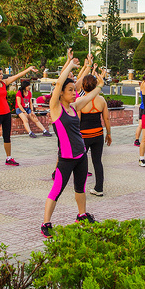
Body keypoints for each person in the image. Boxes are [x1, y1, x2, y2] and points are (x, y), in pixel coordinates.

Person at [42, 49, 105, 238]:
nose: (74, 92)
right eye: (70, 90)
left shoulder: (74, 106)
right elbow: (60, 83)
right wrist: (70, 64)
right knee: (57, 190)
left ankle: (82, 215)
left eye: (74, 90)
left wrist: (100, 87)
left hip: (80, 155)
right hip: (66, 159)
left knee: (81, 187)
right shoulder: (56, 109)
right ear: (61, 93)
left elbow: (88, 97)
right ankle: (46, 223)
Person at [0, 51, 38, 169]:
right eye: (0, 74)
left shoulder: (4, 83)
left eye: (2, 74)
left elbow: (17, 76)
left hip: (6, 114)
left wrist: (28, 69)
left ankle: (8, 158)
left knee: (7, 136)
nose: (2, 75)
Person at [78, 73, 112, 196]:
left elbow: (78, 121)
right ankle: (99, 188)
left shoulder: (80, 101)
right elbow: (106, 119)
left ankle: (80, 188)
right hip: (98, 135)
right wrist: (109, 134)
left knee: (81, 163)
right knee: (97, 161)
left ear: (83, 86)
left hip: (84, 136)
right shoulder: (101, 100)